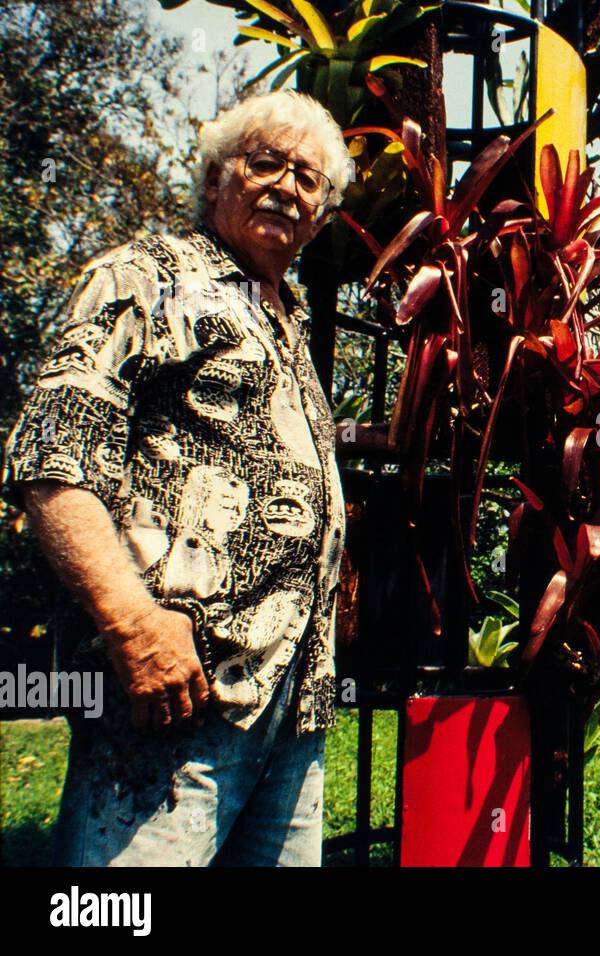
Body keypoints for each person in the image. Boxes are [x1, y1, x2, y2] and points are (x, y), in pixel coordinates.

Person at [1, 89, 360, 866]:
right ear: (213, 180)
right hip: (174, 697)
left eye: (308, 179)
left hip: (291, 707)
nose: (287, 188)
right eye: (265, 163)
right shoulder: (144, 275)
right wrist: (130, 621)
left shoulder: (285, 316)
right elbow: (50, 460)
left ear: (321, 214)